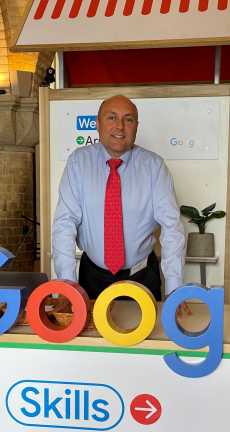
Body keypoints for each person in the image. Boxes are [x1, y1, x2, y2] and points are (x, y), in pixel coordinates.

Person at [52, 95, 190, 316]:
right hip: (92, 276)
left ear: (136, 127)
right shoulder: (78, 163)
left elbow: (172, 228)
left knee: (146, 341)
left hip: (142, 275)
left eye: (128, 119)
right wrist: (68, 284)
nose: (120, 126)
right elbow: (64, 224)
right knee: (91, 344)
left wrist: (174, 287)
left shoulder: (154, 166)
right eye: (111, 117)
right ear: (97, 123)